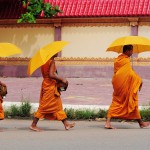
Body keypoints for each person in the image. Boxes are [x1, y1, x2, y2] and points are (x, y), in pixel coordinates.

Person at [104, 44, 150, 129]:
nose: (132, 52)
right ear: (127, 51)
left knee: (131, 101)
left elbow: (124, 72)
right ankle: (107, 123)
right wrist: (139, 80)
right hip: (123, 84)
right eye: (131, 50)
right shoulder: (125, 60)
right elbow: (128, 73)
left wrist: (133, 75)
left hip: (118, 83)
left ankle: (141, 123)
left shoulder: (118, 59)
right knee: (119, 102)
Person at [30, 53, 75, 131]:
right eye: (57, 52)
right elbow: (51, 74)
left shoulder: (44, 61)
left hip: (46, 84)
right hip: (50, 86)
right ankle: (33, 125)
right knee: (44, 106)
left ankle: (66, 124)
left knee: (58, 106)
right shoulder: (51, 62)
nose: (58, 53)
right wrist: (61, 79)